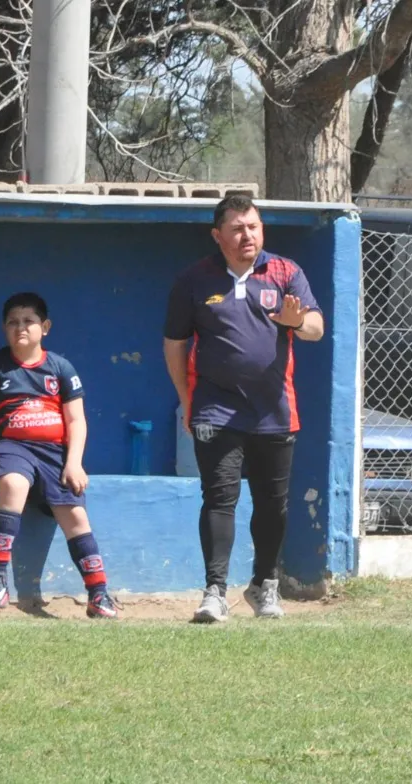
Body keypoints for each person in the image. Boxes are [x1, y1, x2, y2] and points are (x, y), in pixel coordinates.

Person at [162, 194, 325, 623]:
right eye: (236, 229)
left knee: (273, 504)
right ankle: (214, 592)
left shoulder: (285, 272)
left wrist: (295, 321)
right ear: (218, 236)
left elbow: (316, 328)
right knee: (219, 498)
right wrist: (186, 399)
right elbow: (174, 344)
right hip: (215, 409)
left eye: (253, 226)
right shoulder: (194, 280)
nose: (246, 235)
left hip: (275, 411)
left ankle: (263, 585)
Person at [0, 292, 118, 619]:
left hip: (54, 454)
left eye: (28, 321)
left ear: (45, 327)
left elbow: (76, 420)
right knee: (13, 484)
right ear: (4, 328)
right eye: (13, 322)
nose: (20, 327)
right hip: (12, 446)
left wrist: (74, 463)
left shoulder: (60, 367)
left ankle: (98, 593)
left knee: (76, 516)